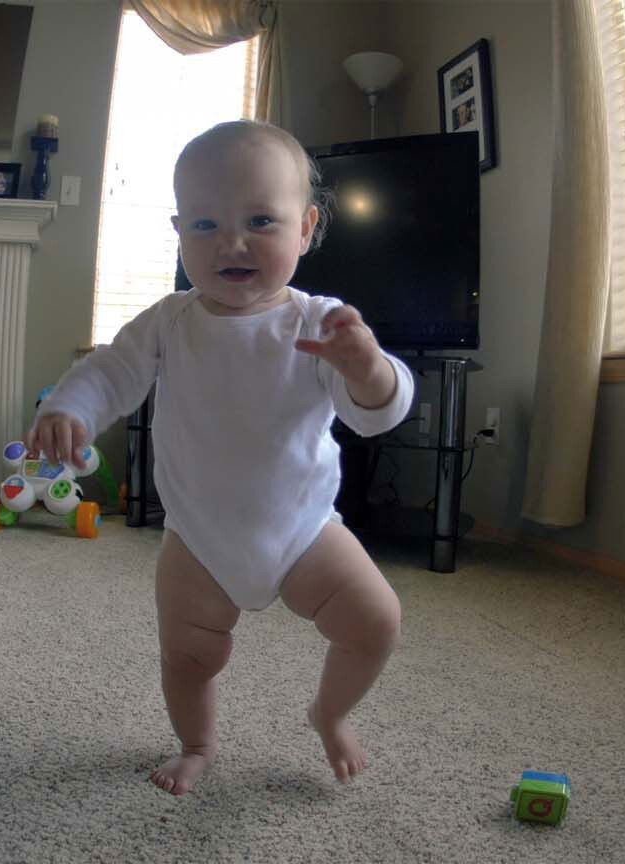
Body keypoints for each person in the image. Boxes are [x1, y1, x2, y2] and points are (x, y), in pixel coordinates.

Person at [27, 120, 414, 796]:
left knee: (376, 622)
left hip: (303, 528)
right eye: (205, 224)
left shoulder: (320, 324)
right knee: (188, 655)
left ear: (306, 229)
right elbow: (110, 371)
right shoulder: (169, 321)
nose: (231, 242)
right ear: (179, 233)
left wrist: (368, 369)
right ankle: (197, 744)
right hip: (199, 539)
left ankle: (329, 713)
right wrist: (69, 409)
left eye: (260, 220)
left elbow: (376, 412)